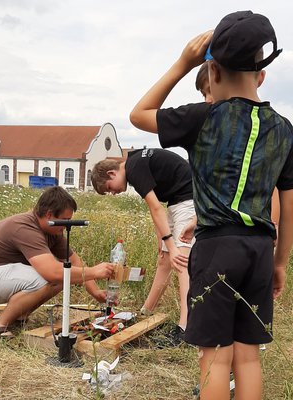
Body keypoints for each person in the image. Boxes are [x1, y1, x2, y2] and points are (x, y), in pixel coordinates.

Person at [130, 10, 293, 400]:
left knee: (215, 358)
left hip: (216, 250)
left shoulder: (202, 117)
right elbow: (287, 207)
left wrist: (183, 63)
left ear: (212, 73)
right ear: (262, 74)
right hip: (258, 251)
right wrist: (280, 262)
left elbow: (138, 115)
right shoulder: (284, 130)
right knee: (248, 358)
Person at [0, 186, 114, 340]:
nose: (68, 225)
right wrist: (94, 271)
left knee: (64, 278)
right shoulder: (25, 228)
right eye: (66, 220)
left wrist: (95, 292)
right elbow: (52, 272)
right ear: (49, 215)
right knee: (48, 277)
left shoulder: (52, 230)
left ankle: (18, 318)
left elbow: (74, 261)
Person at [91, 148, 193, 346]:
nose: (112, 193)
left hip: (189, 201)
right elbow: (154, 208)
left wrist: (171, 246)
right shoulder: (135, 163)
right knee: (164, 261)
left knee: (180, 262)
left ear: (112, 174)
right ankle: (147, 311)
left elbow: (156, 207)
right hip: (177, 201)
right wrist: (161, 240)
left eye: (109, 188)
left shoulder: (134, 168)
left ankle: (186, 329)